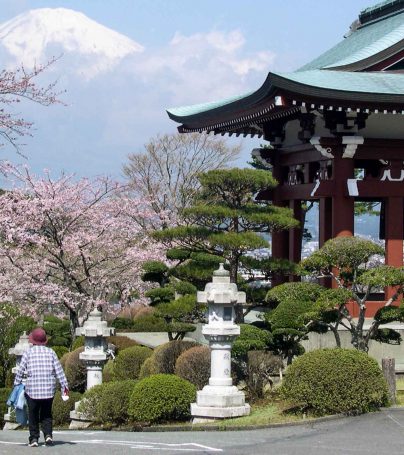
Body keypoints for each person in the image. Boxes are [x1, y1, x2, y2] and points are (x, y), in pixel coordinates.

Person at [14, 327, 69, 448]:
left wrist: (17, 383)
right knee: (46, 413)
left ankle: (34, 438)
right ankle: (48, 436)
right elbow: (59, 371)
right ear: (45, 340)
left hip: (32, 389)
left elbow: (20, 370)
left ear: (32, 341)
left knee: (33, 414)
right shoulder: (51, 352)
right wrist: (65, 388)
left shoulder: (28, 352)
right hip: (48, 390)